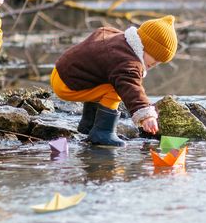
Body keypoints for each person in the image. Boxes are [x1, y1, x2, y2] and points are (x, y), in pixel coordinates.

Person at [50, 15, 178, 147]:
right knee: (115, 88)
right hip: (68, 86)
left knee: (104, 76)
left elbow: (100, 32)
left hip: (61, 72)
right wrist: (146, 115)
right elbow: (131, 89)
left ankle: (88, 124)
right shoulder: (128, 62)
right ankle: (102, 132)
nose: (156, 64)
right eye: (156, 58)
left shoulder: (117, 38)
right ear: (146, 46)